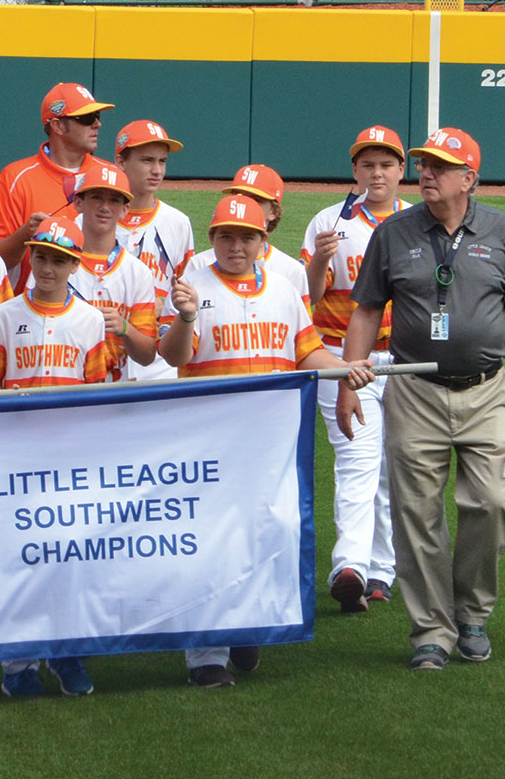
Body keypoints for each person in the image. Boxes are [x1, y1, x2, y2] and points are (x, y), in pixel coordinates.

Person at [337, 127, 505, 671]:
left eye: (439, 166)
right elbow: (364, 310)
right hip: (413, 392)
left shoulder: (503, 231)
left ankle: (471, 613)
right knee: (417, 513)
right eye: (423, 164)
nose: (425, 173)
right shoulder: (393, 231)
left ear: (468, 179)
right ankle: (432, 629)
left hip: (488, 392)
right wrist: (347, 381)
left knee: (494, 503)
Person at [159, 194, 373, 687]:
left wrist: (345, 370)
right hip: (209, 440)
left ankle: (246, 626)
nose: (236, 245)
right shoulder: (193, 285)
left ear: (264, 240)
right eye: (227, 236)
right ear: (211, 238)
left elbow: (308, 351)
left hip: (269, 441)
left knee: (264, 534)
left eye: (247, 236)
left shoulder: (282, 288)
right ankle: (205, 655)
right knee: (210, 543)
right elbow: (174, 357)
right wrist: (187, 317)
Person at [0, 217, 106, 697]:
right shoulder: (5, 315)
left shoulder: (91, 319)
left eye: (58, 260)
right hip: (17, 457)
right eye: (40, 257)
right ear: (29, 257)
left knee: (69, 557)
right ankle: (18, 665)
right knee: (21, 558)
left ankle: (66, 652)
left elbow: (96, 392)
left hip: (70, 459)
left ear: (75, 265)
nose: (47, 268)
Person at [301, 125, 409, 612]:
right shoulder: (330, 221)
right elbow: (311, 298)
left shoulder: (417, 222)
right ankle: (351, 567)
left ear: (401, 171)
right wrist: (320, 262)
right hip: (341, 358)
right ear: (354, 171)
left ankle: (381, 571)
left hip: (405, 362)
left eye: (386, 164)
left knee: (392, 469)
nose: (376, 173)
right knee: (357, 462)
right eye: (367, 164)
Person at [0, 82, 114, 290]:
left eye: (98, 116)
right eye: (87, 119)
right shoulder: (15, 178)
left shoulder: (110, 177)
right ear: (57, 126)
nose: (97, 124)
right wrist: (25, 233)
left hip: (95, 308)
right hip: (29, 311)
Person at [112, 119, 193, 380]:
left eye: (162, 161)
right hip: (107, 350)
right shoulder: (92, 222)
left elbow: (186, 287)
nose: (156, 170)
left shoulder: (177, 222)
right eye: (147, 160)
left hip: (160, 358)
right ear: (121, 162)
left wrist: (165, 303)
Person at [64, 163, 156, 382]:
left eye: (114, 200)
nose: (105, 207)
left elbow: (147, 355)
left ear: (125, 209)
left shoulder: (138, 273)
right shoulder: (56, 262)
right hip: (65, 386)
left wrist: (125, 329)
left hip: (116, 394)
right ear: (78, 203)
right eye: (96, 197)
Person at [189, 164, 309, 308]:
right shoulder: (199, 264)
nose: (245, 205)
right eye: (239, 196)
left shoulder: (292, 271)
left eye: (255, 200)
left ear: (274, 212)